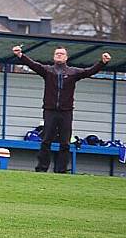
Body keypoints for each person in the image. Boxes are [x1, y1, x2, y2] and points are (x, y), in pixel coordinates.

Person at [12, 45, 111, 173]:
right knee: (46, 141)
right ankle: (42, 168)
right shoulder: (48, 71)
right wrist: (20, 55)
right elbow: (33, 65)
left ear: (66, 57)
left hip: (66, 112)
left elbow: (89, 71)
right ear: (54, 56)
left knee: (65, 142)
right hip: (50, 110)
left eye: (62, 53)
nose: (59, 55)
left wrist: (102, 63)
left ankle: (61, 170)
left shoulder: (73, 73)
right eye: (57, 53)